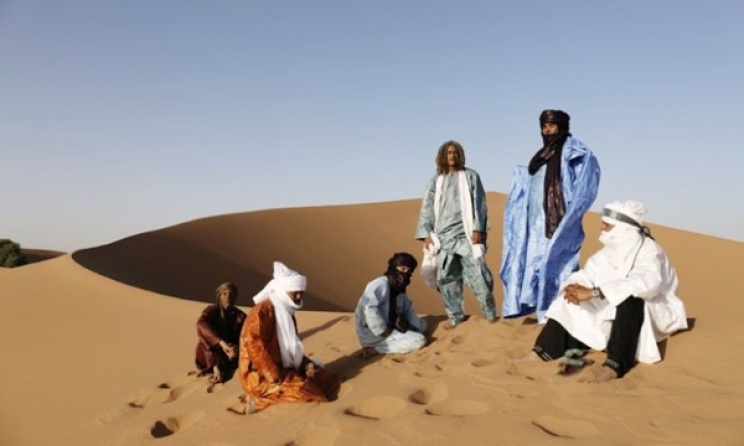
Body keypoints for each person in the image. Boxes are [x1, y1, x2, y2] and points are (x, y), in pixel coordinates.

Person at [512, 200, 688, 383]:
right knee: (570, 298)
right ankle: (542, 352)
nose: (602, 227)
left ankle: (615, 365)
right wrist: (575, 286)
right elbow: (587, 274)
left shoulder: (649, 250)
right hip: (610, 301)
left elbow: (646, 283)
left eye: (608, 225)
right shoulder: (607, 253)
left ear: (623, 228)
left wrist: (594, 293)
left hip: (651, 308)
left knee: (630, 298)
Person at [501, 109, 601, 322]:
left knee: (560, 265)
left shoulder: (573, 149)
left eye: (552, 125)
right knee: (535, 267)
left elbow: (586, 181)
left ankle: (564, 315)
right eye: (544, 126)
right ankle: (543, 316)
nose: (547, 130)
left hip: (560, 220)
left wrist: (572, 212)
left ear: (562, 127)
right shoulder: (540, 156)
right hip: (535, 223)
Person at [237, 261, 340, 413]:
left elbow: (290, 347)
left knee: (325, 379)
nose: (299, 296)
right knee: (306, 391)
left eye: (301, 292)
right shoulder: (262, 311)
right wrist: (273, 375)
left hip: (283, 367)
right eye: (295, 292)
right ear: (284, 291)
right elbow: (252, 342)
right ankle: (256, 400)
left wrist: (305, 364)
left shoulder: (286, 312)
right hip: (260, 376)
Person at [415, 140, 497, 328]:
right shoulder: (435, 181)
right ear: (442, 156)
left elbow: (480, 204)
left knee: (479, 274)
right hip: (443, 237)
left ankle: (490, 315)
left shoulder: (471, 176)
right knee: (447, 278)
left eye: (455, 152)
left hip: (467, 235)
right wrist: (426, 234)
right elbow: (426, 208)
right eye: (449, 153)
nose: (452, 156)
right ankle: (455, 318)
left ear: (460, 155)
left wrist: (479, 229)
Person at [355, 252, 428, 359]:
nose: (406, 273)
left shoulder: (400, 292)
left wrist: (416, 326)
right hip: (372, 334)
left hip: (390, 330)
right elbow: (368, 308)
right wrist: (382, 330)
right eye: (403, 269)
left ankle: (381, 345)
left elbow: (408, 312)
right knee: (419, 340)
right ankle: (374, 349)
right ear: (393, 267)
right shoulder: (379, 284)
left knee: (422, 329)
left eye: (409, 271)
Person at [195, 282, 247, 384]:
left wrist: (237, 348)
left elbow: (246, 337)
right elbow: (201, 324)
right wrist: (221, 343)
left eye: (231, 293)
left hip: (232, 357)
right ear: (219, 295)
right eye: (224, 293)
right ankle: (216, 368)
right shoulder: (212, 310)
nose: (228, 296)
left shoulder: (241, 316)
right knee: (206, 336)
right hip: (208, 358)